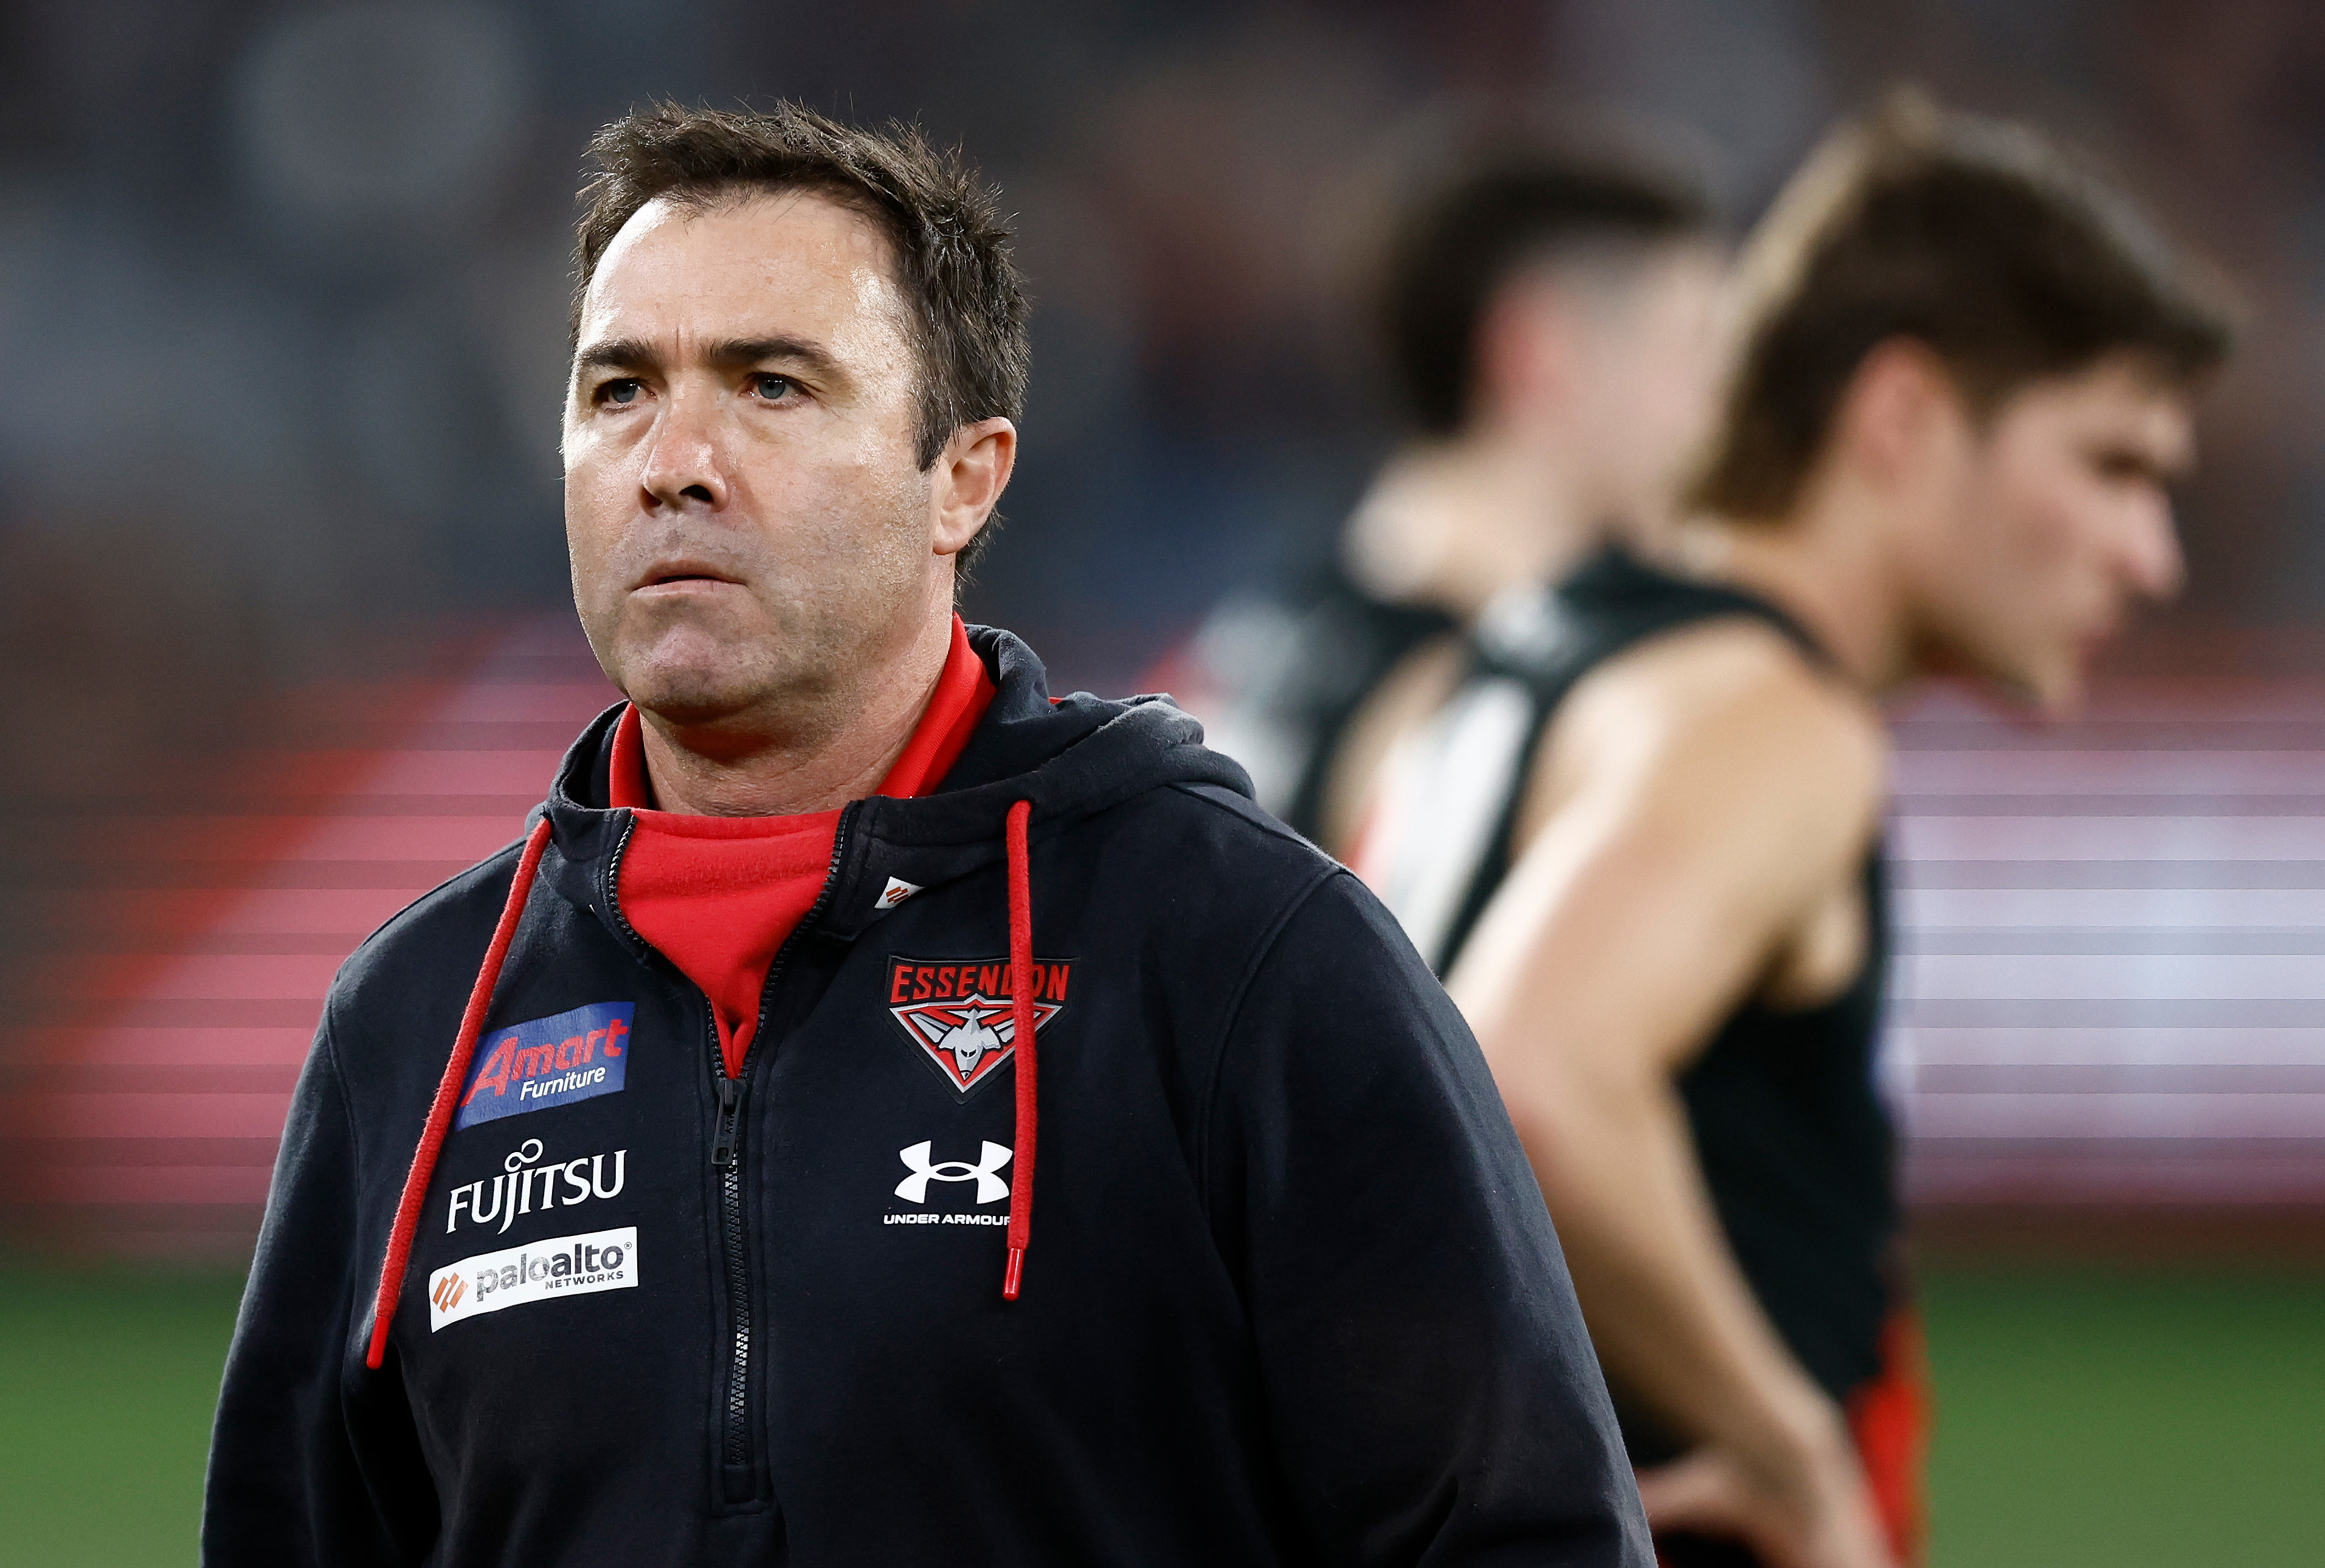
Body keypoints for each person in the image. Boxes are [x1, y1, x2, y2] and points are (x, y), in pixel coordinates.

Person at [199, 102, 1650, 1567]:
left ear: (964, 476)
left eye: (771, 385)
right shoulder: (414, 1021)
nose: (673, 461)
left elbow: (1515, 1531)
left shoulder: (1238, 955)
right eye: (619, 389)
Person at [1334, 94, 2232, 1568]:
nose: (2150, 557)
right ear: (1903, 417)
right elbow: (1531, 1066)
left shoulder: (1528, 654)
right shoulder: (1766, 717)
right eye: (2110, 465)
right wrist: (1789, 1447)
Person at [1181, 122, 1725, 844]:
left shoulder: (1252, 635)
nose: (1721, 406)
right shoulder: (1488, 712)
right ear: (1539, 351)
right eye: (1695, 347)